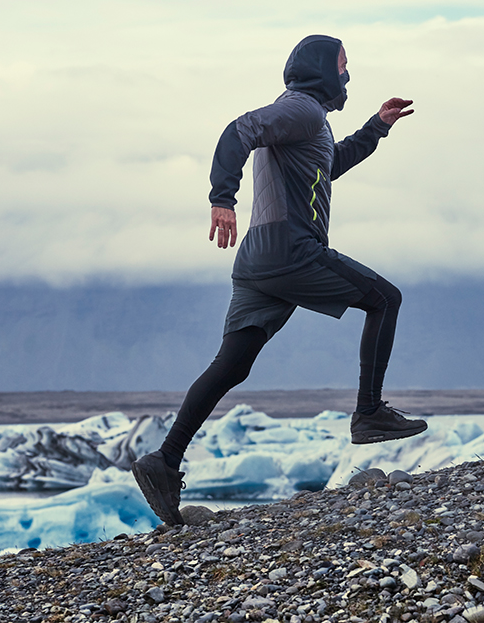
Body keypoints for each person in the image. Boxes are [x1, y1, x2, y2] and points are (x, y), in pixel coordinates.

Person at [132, 34, 428, 526]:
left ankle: (163, 461)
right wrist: (221, 198)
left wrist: (377, 127)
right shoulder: (302, 111)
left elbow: (329, 166)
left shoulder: (308, 123)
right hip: (290, 250)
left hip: (257, 259)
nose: (348, 75)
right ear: (323, 71)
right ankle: (369, 412)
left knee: (232, 364)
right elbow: (238, 129)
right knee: (384, 299)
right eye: (344, 65)